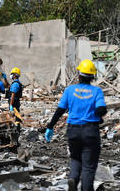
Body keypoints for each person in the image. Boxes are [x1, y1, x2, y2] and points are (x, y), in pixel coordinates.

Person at [44, 59, 107, 191]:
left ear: (79, 75)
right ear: (93, 76)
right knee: (89, 165)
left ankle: (73, 177)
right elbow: (102, 109)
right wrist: (98, 117)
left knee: (76, 158)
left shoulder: (70, 90)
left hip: (73, 130)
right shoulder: (96, 91)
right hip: (90, 131)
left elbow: (60, 110)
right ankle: (86, 188)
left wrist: (50, 126)